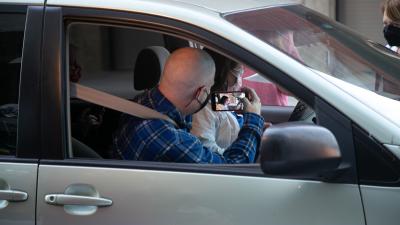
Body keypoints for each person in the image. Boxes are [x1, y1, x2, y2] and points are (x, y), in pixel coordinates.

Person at [113, 47, 264, 163]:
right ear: (200, 93)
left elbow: (213, 103)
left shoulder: (144, 101)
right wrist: (253, 120)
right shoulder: (173, 141)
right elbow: (232, 167)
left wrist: (242, 106)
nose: (213, 93)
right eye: (210, 88)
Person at [191, 55, 245, 155]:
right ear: (222, 72)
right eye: (238, 72)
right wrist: (253, 123)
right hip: (231, 163)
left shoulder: (220, 97)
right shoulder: (203, 108)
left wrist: (257, 127)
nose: (239, 80)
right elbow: (208, 150)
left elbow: (235, 114)